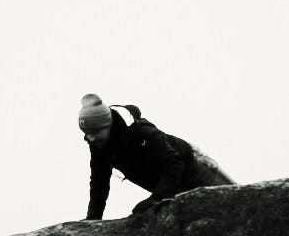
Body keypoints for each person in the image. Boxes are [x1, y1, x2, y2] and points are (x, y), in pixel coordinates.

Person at [77, 93, 232, 221]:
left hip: (195, 168)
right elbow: (99, 182)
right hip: (170, 185)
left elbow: (174, 162)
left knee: (232, 207)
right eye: (87, 134)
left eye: (95, 132)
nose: (91, 138)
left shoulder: (140, 132)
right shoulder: (99, 145)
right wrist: (93, 218)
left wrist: (155, 198)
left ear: (107, 125)